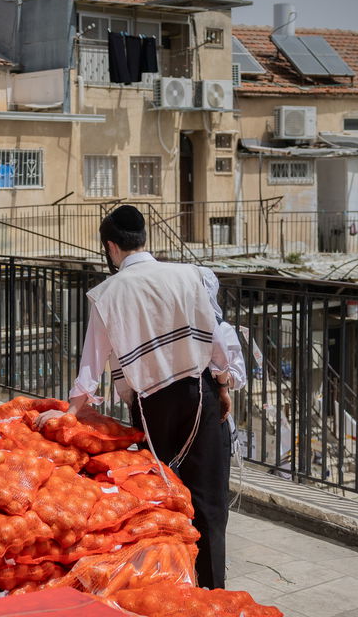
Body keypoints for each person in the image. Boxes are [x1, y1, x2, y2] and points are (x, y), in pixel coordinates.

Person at [37, 205, 239, 589]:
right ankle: (212, 593)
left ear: (112, 247)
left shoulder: (109, 293)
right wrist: (224, 384)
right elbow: (215, 336)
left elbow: (91, 363)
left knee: (160, 499)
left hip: (153, 406)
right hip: (202, 393)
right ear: (143, 239)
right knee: (210, 503)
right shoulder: (191, 275)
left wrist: (71, 411)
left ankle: (169, 586)